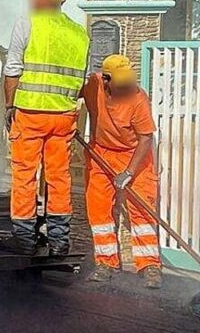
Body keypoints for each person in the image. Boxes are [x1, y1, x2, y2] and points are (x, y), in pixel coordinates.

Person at [2, 0, 89, 256]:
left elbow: (13, 69)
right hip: (63, 115)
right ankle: (60, 241)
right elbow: (80, 81)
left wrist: (8, 106)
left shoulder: (26, 24)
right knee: (59, 177)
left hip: (29, 112)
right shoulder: (79, 34)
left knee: (25, 175)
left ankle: (25, 240)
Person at [81, 54, 162, 288]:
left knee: (143, 209)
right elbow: (69, 94)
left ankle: (150, 266)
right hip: (101, 153)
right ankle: (106, 263)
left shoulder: (137, 98)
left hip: (135, 154)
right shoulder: (93, 85)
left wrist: (128, 172)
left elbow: (146, 137)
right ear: (105, 79)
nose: (126, 86)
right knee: (98, 209)